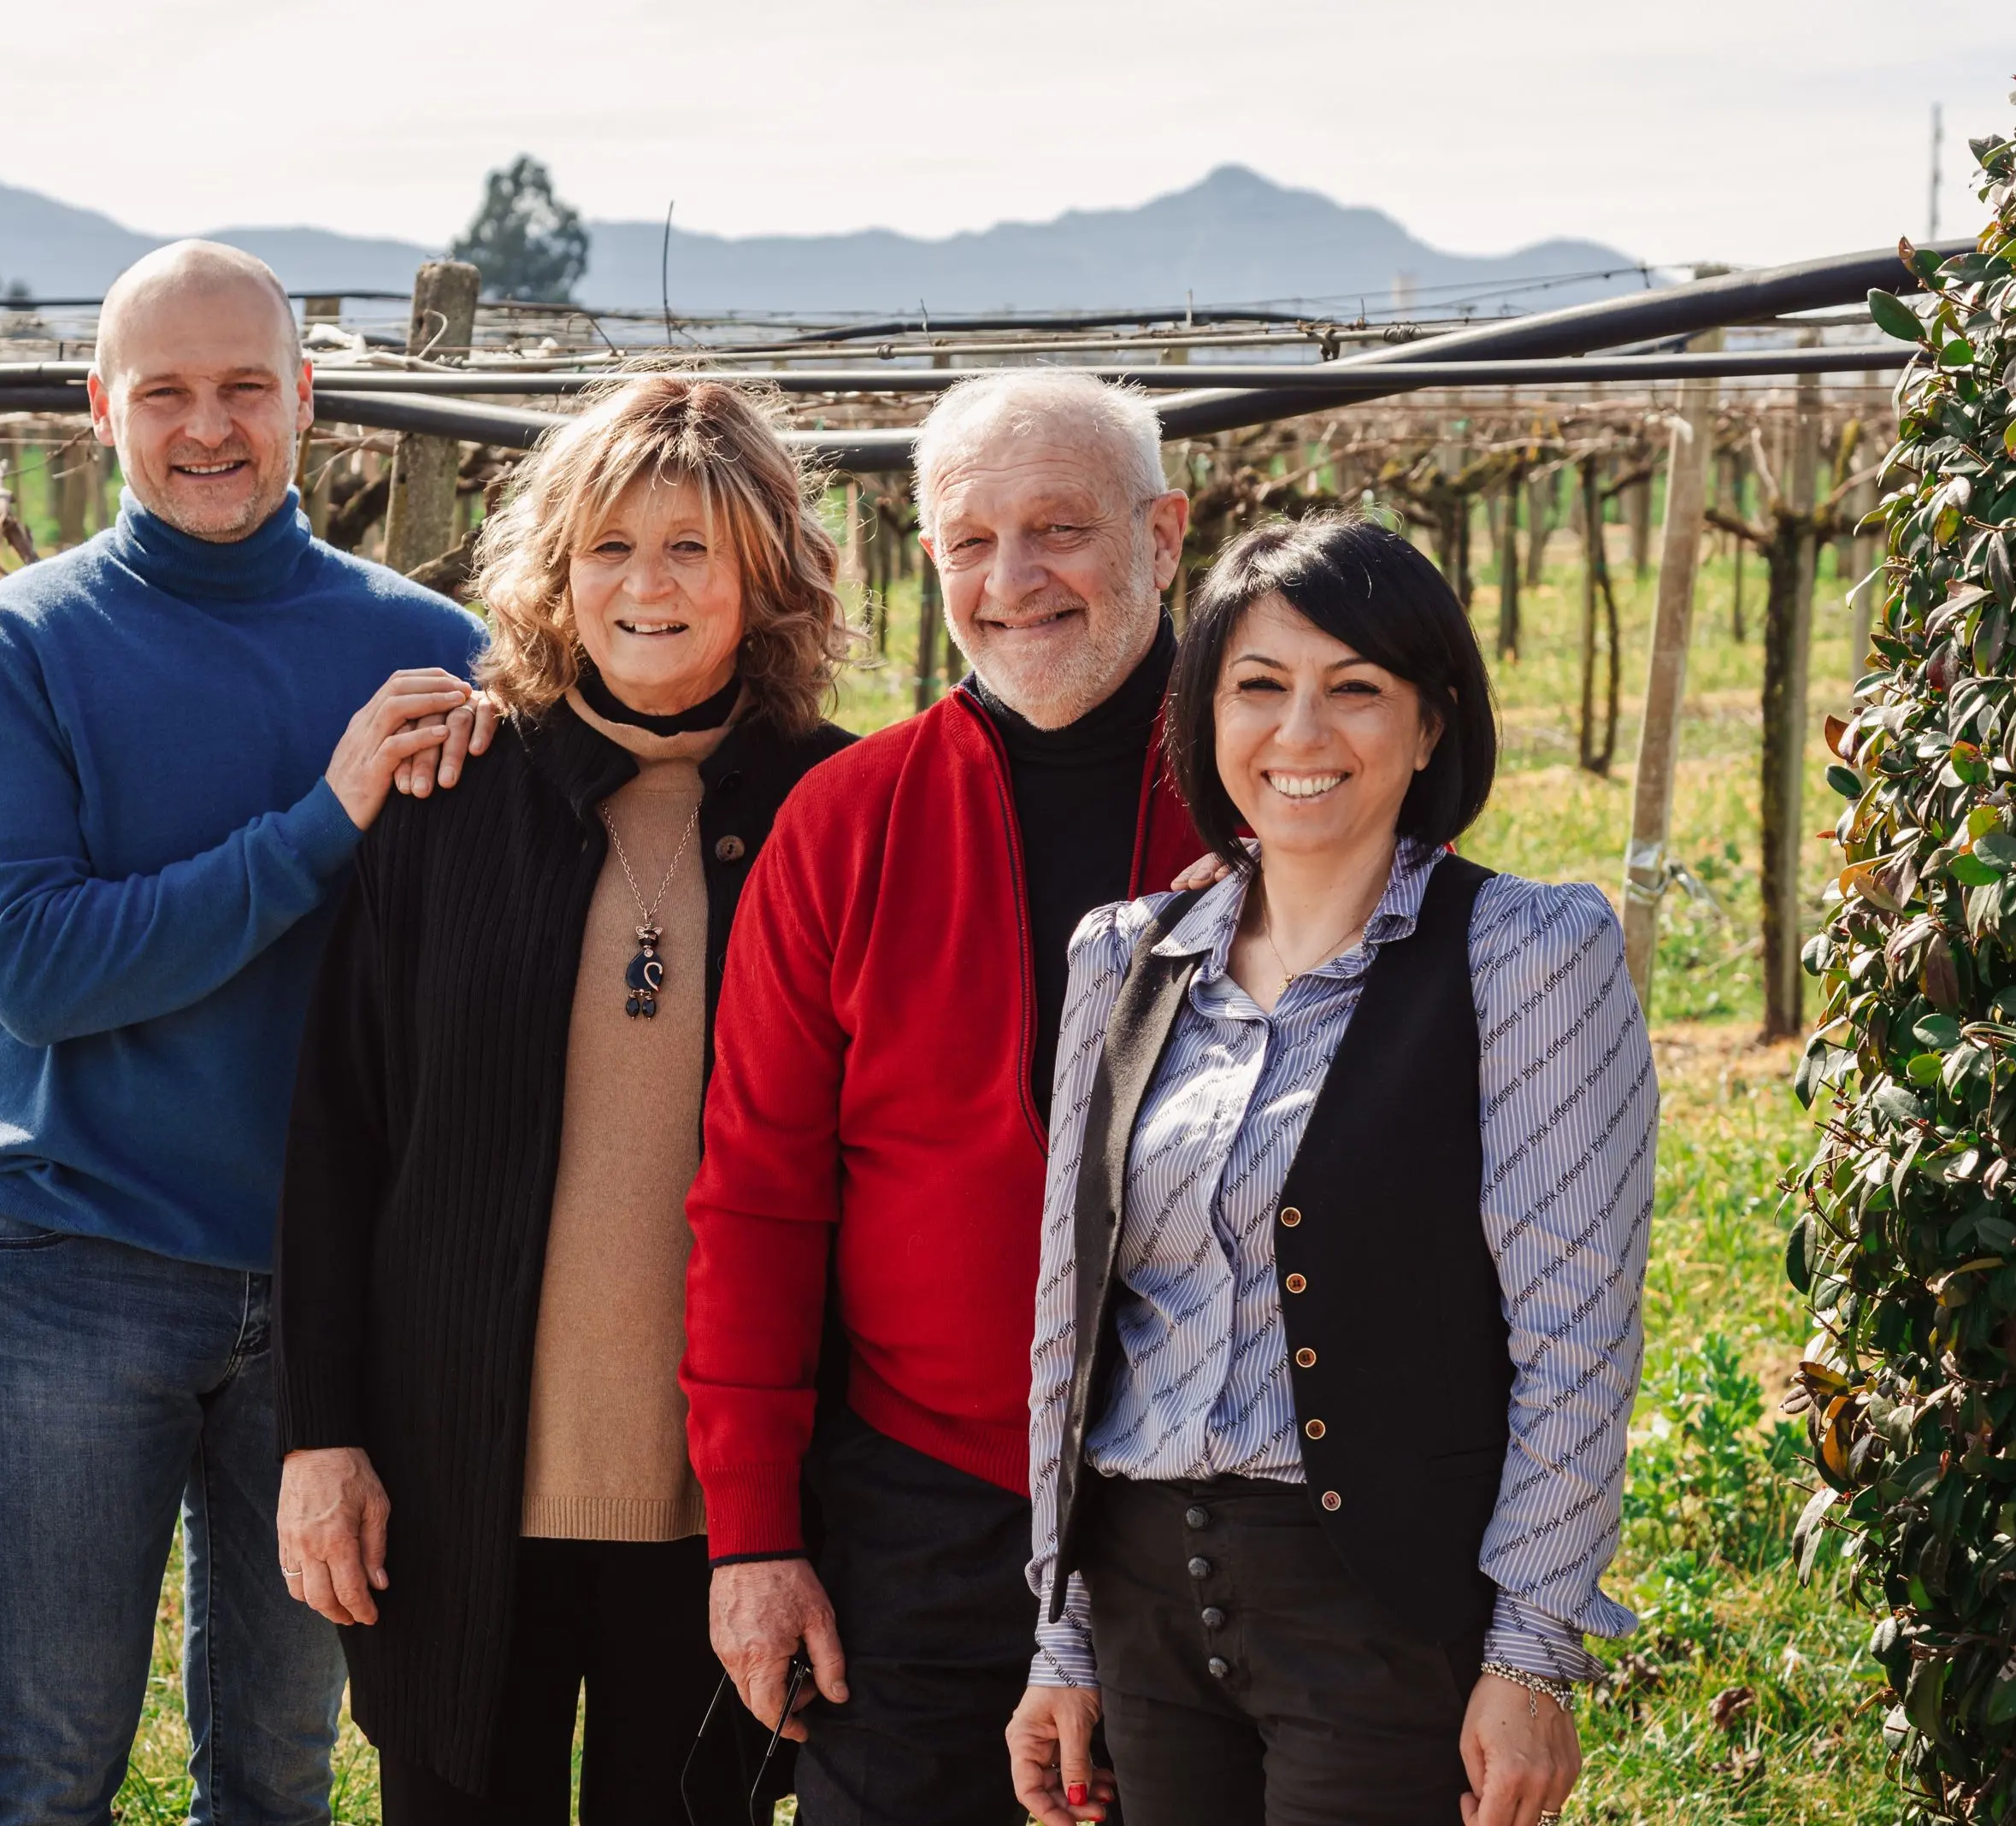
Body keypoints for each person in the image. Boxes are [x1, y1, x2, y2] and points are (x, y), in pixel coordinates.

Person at [0, 239, 492, 1826]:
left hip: (332, 1298)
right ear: (101, 410)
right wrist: (323, 821)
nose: (210, 424)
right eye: (164, 390)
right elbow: (40, 966)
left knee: (283, 1774)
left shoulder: (439, 654)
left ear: (309, 400)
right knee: (44, 1768)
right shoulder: (13, 652)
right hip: (74, 1271)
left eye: (247, 384)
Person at [1006, 513, 1656, 1826]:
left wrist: (1531, 1657)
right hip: (1143, 1604)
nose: (1300, 733)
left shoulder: (1527, 953)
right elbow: (1070, 1328)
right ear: (1206, 720)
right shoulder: (1121, 959)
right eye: (1260, 687)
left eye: (1355, 688)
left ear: (1430, 726)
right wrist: (1061, 1634)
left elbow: (1577, 1336)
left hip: (1382, 1610)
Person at [273, 375, 858, 1825]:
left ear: (764, 576)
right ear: (557, 568)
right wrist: (318, 1434)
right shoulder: (449, 796)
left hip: (733, 1511)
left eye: (691, 550)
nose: (644, 587)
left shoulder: (841, 810)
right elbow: (338, 1143)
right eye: (609, 546)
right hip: (456, 1495)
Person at [680, 371, 1212, 1825]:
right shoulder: (847, 822)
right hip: (921, 1504)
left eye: (1060, 531)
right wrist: (753, 1537)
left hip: (1222, 1508)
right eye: (972, 541)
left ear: (1165, 536)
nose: (1013, 580)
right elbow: (759, 1193)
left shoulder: (1282, 793)